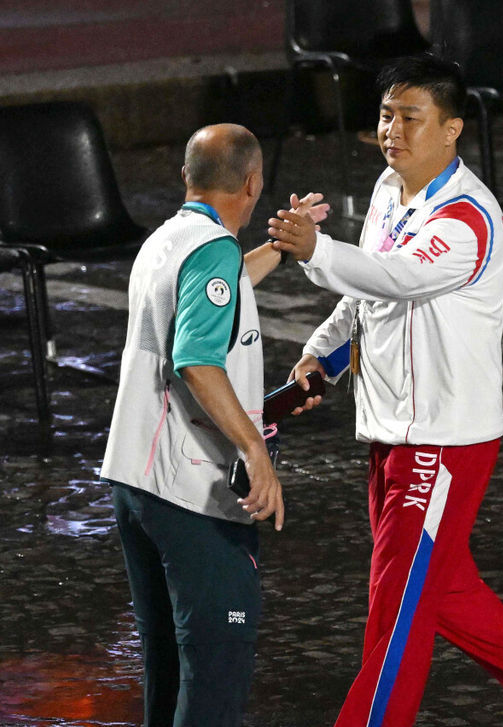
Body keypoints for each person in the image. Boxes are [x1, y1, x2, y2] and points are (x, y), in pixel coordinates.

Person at [268, 54, 503, 727]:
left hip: (443, 443)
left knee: (395, 615)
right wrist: (319, 356)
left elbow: (395, 277)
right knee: (433, 590)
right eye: (386, 115)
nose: (392, 130)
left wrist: (316, 250)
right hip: (391, 428)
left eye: (409, 118)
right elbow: (367, 290)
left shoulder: (468, 220)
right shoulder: (391, 189)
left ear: (451, 129)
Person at [100, 123, 325, 726]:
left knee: (169, 664)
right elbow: (196, 359)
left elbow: (222, 293)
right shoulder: (212, 250)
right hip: (189, 491)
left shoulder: (168, 241)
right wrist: (255, 448)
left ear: (186, 178)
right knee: (216, 668)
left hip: (135, 481)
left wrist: (278, 247)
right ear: (252, 184)